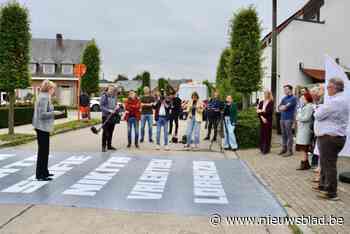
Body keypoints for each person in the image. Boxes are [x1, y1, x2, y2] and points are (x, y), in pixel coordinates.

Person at [312, 78, 349, 201]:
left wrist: (317, 108)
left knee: (329, 165)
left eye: (328, 87)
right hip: (331, 137)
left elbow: (318, 115)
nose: (327, 89)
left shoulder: (335, 101)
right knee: (324, 163)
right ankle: (323, 185)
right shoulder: (339, 100)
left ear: (334, 88)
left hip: (330, 138)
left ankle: (331, 192)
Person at [32, 80, 60, 181]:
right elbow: (42, 114)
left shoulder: (45, 96)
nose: (54, 90)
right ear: (49, 88)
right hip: (41, 127)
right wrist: (54, 113)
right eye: (53, 88)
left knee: (45, 151)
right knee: (43, 151)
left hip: (42, 127)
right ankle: (40, 175)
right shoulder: (44, 98)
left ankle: (44, 171)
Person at [295, 92, 314, 170]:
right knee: (303, 148)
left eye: (303, 98)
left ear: (307, 98)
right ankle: (305, 163)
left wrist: (298, 116)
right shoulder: (305, 106)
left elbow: (306, 118)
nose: (301, 100)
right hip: (302, 129)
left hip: (305, 130)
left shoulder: (309, 106)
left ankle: (304, 164)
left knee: (304, 147)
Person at [278, 85, 297, 157]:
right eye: (284, 89)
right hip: (282, 118)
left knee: (289, 135)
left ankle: (290, 151)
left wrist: (283, 107)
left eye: (286, 89)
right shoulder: (284, 98)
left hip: (289, 119)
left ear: (290, 90)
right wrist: (282, 107)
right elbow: (279, 107)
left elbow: (285, 107)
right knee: (283, 135)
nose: (284, 91)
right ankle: (284, 149)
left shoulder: (293, 98)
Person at [100, 85, 118, 152]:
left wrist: (117, 107)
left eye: (113, 90)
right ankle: (103, 146)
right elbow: (101, 106)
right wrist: (109, 110)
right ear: (107, 89)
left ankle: (109, 145)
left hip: (112, 116)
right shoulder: (104, 96)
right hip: (105, 116)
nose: (111, 91)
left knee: (111, 131)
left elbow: (115, 104)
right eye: (110, 89)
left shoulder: (114, 96)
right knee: (105, 132)